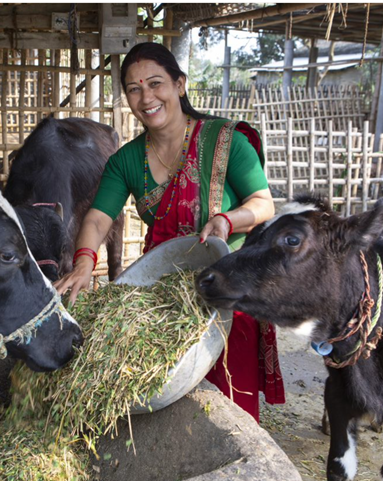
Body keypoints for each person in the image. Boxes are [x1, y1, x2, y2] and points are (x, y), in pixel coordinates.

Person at [53, 42, 285, 422]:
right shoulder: (126, 160)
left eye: (156, 83)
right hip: (164, 289)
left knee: (227, 404)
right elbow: (97, 218)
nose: (146, 97)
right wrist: (83, 263)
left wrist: (227, 221)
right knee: (161, 397)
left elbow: (263, 204)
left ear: (179, 84)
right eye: (134, 88)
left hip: (230, 285)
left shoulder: (226, 142)